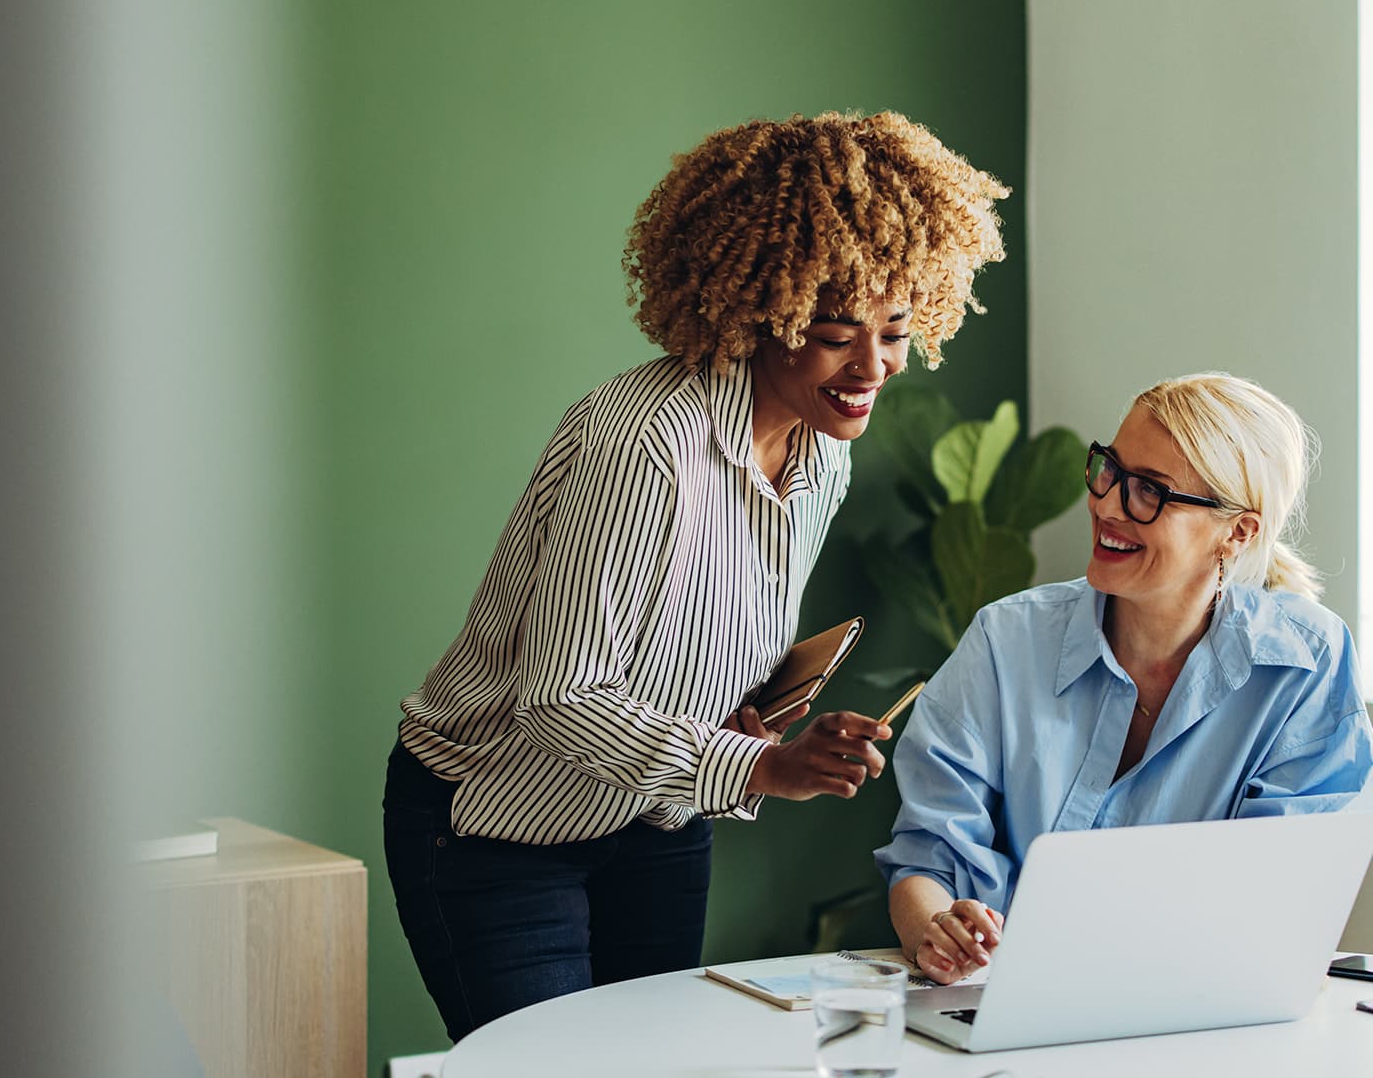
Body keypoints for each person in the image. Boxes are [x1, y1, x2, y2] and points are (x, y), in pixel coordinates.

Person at [383, 111, 1011, 1041]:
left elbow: (688, 651)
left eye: (895, 330)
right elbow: (559, 699)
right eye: (838, 334)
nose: (873, 367)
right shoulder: (644, 444)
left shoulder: (819, 453)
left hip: (660, 822)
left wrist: (762, 720)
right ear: (763, 312)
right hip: (497, 831)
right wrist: (761, 765)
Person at [876, 373, 1373, 985]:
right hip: (997, 997)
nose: (1107, 504)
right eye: (1109, 469)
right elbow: (928, 855)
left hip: (1201, 1007)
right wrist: (933, 929)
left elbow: (1278, 894)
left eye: (1150, 493)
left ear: (1237, 531)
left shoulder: (1305, 662)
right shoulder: (1006, 641)